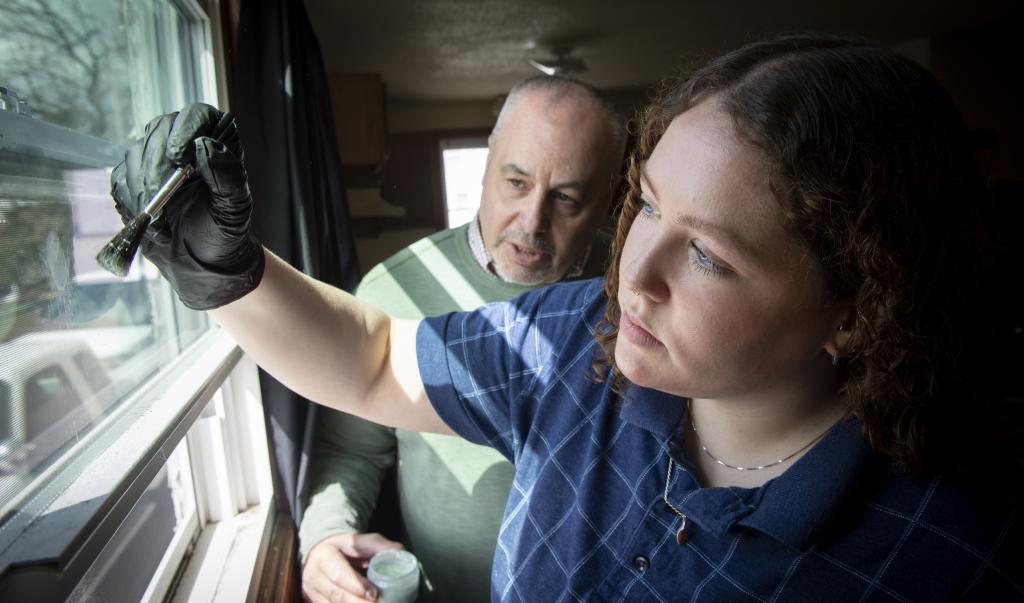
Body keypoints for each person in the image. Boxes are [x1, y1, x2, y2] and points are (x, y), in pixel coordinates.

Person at [111, 33, 1022, 601]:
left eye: (707, 254)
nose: (634, 275)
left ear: (861, 309)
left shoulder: (953, 556)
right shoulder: (569, 337)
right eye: (651, 205)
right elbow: (374, 354)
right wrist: (224, 272)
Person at [299, 76, 626, 603]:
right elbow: (351, 451)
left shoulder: (639, 289)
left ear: (609, 197)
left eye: (565, 198)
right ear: (486, 162)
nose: (533, 221)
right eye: (516, 182)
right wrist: (326, 536)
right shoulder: (391, 292)